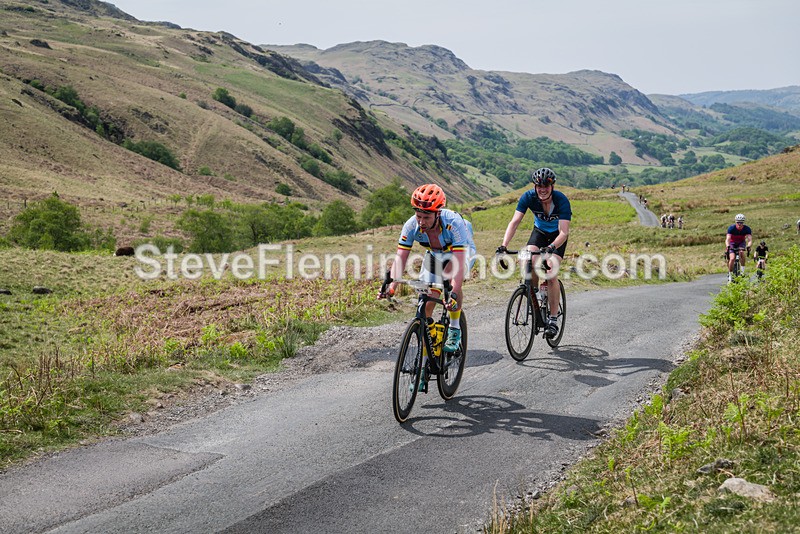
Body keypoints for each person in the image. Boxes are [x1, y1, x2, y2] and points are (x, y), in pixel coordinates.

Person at [379, 183, 476, 355]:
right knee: (426, 303)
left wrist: (453, 293)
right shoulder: (411, 225)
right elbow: (400, 257)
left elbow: (459, 265)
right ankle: (426, 356)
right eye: (419, 216)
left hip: (459, 252)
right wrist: (391, 286)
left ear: (437, 213)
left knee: (450, 281)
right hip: (435, 254)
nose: (422, 222)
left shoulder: (453, 222)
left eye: (427, 217)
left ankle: (454, 329)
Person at [497, 167, 571, 339]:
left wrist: (551, 248)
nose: (542, 189)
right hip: (539, 232)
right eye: (539, 186)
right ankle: (535, 295)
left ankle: (553, 319)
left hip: (557, 237)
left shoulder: (561, 200)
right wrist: (503, 245)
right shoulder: (528, 197)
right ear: (534, 186)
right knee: (528, 260)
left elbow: (564, 232)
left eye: (546, 186)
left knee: (551, 271)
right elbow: (515, 221)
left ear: (552, 186)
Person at [725, 213, 753, 282]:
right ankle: (730, 276)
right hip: (732, 243)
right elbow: (728, 239)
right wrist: (728, 246)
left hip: (741, 243)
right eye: (738, 222)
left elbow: (750, 239)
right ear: (736, 222)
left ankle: (742, 272)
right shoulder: (731, 228)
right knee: (732, 258)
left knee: (741, 252)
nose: (739, 224)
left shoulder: (747, 229)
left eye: (741, 222)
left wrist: (749, 246)